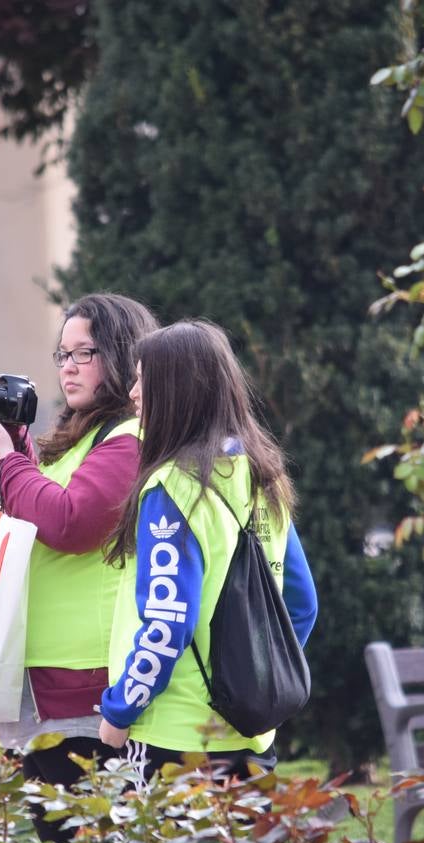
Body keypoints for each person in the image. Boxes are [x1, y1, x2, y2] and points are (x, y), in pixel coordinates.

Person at [0, 292, 157, 841]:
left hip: (87, 686)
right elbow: (39, 504)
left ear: (120, 355)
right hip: (47, 682)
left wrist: (5, 463)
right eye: (61, 354)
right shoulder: (82, 439)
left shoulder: (129, 440)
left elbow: (71, 523)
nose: (67, 367)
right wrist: (15, 449)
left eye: (83, 353)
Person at [96, 320, 317, 779]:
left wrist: (118, 711)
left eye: (143, 380)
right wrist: (255, 678)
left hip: (175, 739)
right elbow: (301, 604)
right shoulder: (263, 477)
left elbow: (166, 624)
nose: (133, 394)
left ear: (178, 390)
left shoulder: (172, 489)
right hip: (253, 736)